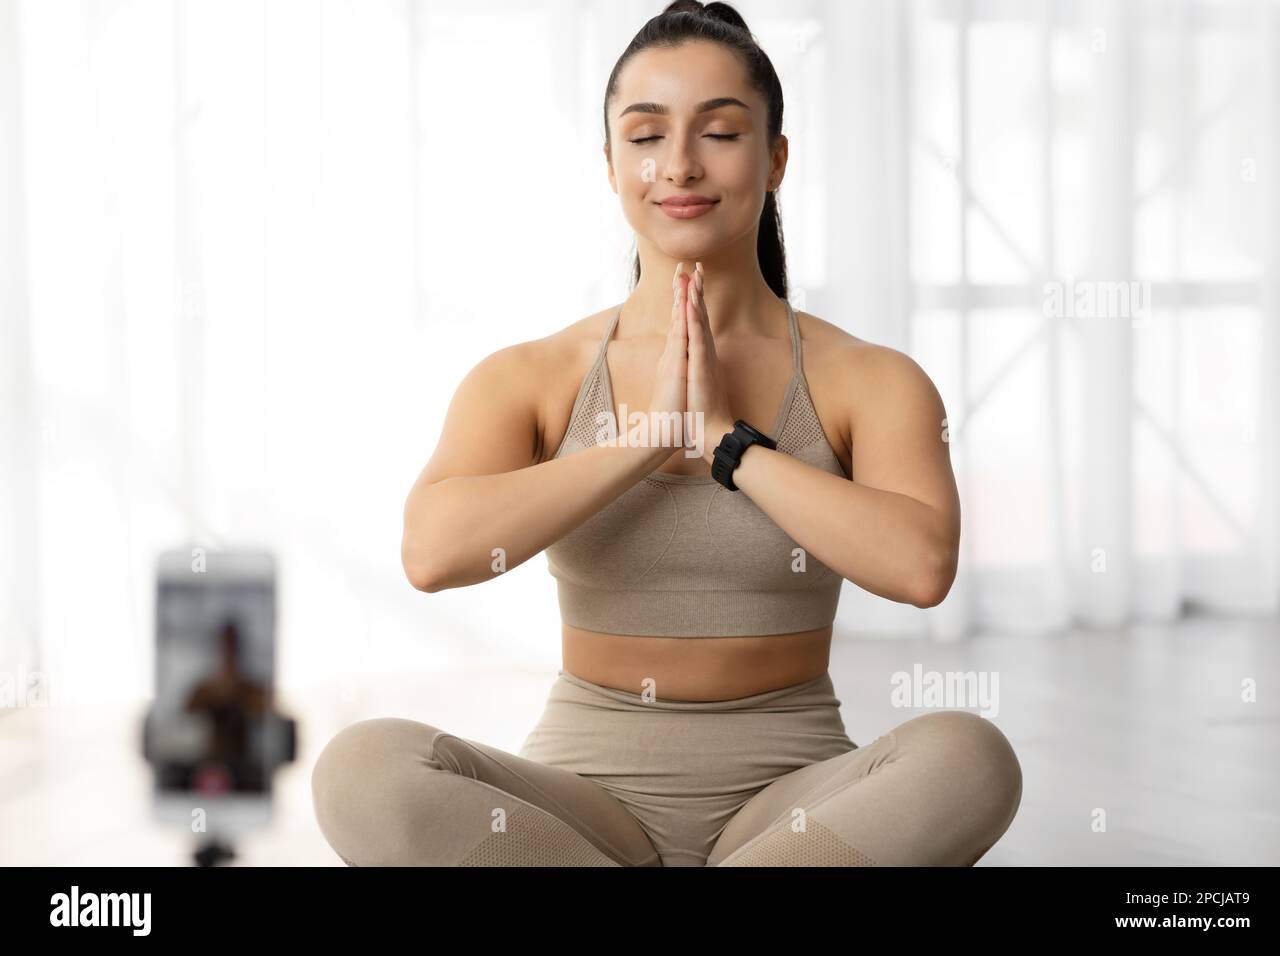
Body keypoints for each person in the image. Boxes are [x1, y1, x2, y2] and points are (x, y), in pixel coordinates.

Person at [311, 0, 1022, 867]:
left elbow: (920, 568)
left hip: (788, 810)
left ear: (777, 158)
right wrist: (643, 440)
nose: (679, 164)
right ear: (611, 163)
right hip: (582, 811)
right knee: (361, 769)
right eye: (646, 135)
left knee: (971, 757)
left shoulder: (867, 378)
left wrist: (730, 443)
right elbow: (431, 554)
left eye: (719, 133)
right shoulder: (531, 376)